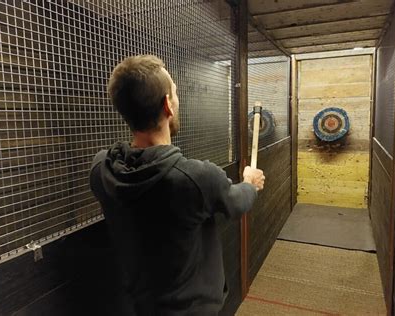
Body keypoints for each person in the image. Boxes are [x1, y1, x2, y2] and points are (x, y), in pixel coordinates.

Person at [89, 55, 264, 316]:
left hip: (142, 308)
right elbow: (237, 202)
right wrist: (250, 182)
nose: (177, 99)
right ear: (167, 105)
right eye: (175, 93)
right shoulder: (197, 178)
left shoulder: (102, 168)